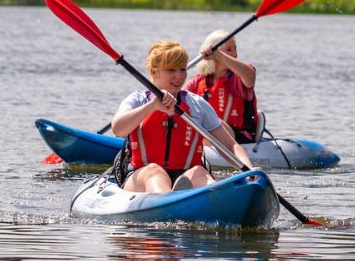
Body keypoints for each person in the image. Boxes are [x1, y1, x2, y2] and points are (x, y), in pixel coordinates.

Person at [111, 40, 254, 193]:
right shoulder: (138, 99)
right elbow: (118, 129)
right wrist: (152, 106)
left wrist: (249, 170)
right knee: (155, 172)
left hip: (186, 174)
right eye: (171, 70)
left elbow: (230, 145)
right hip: (142, 175)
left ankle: (212, 201)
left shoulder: (197, 105)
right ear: (154, 72)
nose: (179, 76)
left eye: (182, 69)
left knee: (199, 171)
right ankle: (167, 201)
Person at [185, 30, 260, 144]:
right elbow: (178, 97)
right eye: (229, 50)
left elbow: (250, 74)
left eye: (235, 49)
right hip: (208, 134)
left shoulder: (240, 78)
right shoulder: (199, 81)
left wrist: (219, 55)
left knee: (212, 124)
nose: (235, 54)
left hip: (239, 137)